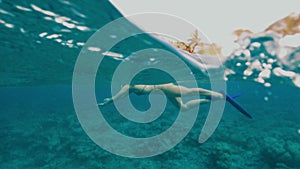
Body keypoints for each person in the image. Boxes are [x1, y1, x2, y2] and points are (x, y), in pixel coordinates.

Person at [98, 83, 224, 111]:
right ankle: (208, 99)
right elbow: (121, 96)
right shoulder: (130, 89)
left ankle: (216, 93)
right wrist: (110, 100)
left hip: (165, 88)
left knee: (189, 92)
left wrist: (109, 101)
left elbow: (118, 96)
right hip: (165, 92)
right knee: (183, 108)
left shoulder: (128, 86)